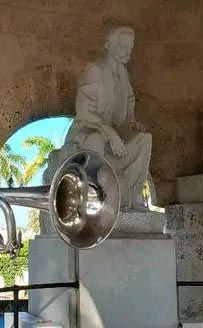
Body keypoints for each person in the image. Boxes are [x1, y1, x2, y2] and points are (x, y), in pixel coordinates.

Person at [65, 26, 152, 211]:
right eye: (122, 46)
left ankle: (131, 198)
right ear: (108, 46)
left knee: (145, 140)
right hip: (89, 131)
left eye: (130, 47)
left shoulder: (124, 75)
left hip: (115, 135)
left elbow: (128, 112)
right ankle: (95, 198)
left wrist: (133, 124)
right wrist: (109, 133)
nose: (127, 51)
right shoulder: (94, 70)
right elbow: (83, 112)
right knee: (96, 140)